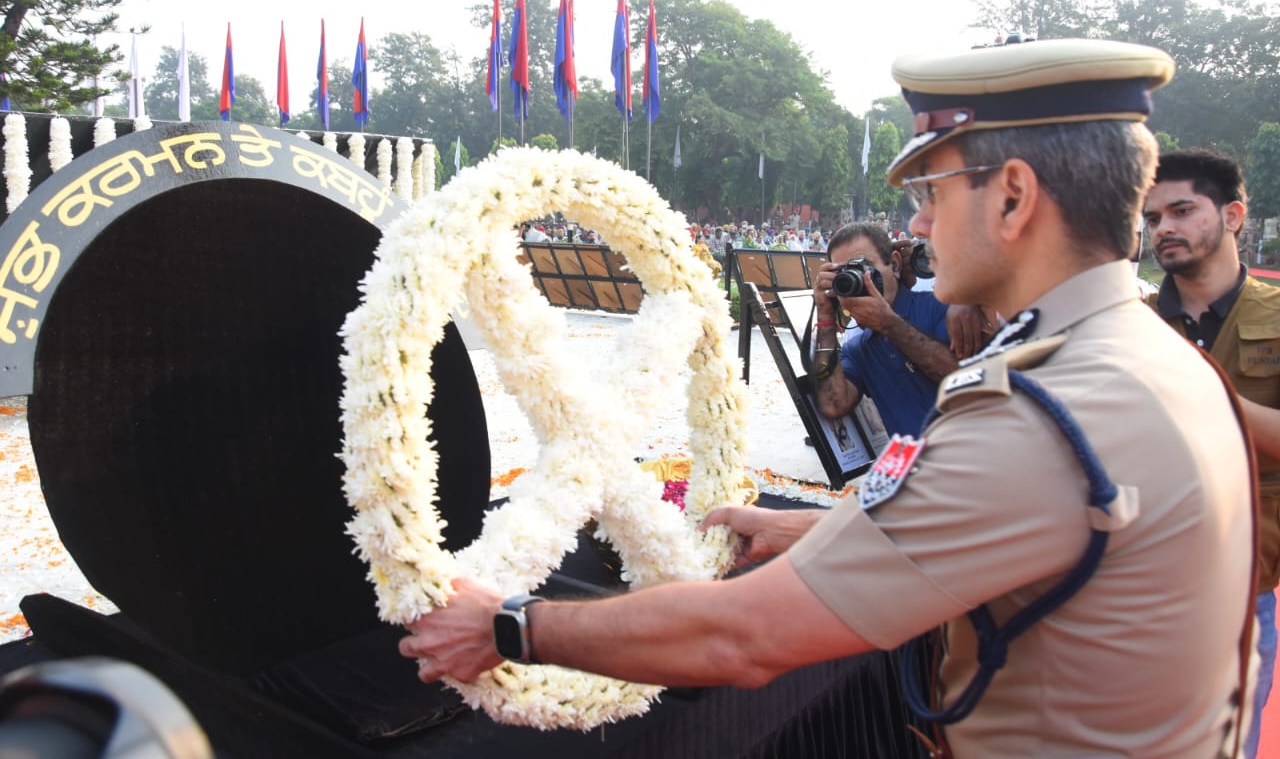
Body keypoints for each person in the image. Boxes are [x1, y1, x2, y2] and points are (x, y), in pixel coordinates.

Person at [399, 39, 1255, 757]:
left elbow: (743, 636)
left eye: (930, 192)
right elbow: (1017, 523)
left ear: (1014, 196)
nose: (917, 225)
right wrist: (808, 530)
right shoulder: (1148, 354)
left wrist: (510, 625)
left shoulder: (1036, 411)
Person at [1144, 147, 1278, 758]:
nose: (1163, 228)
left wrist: (1209, 394)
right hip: (1137, 590)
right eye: (1153, 218)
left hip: (1243, 590)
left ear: (1233, 216)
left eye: (1181, 211)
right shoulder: (1131, 326)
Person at [809, 222, 958, 438]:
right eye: (845, 273)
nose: (858, 278)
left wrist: (889, 324)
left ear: (895, 265)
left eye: (864, 267)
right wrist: (825, 317)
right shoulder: (859, 348)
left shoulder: (942, 310)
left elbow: (966, 381)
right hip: (917, 460)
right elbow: (833, 404)